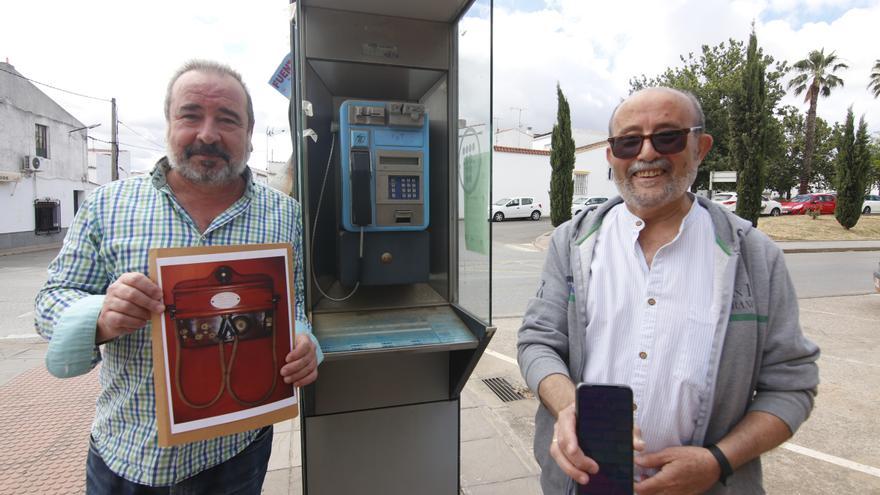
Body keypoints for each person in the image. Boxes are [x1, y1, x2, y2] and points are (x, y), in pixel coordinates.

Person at [34, 59, 322, 493]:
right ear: (168, 123)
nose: (208, 134)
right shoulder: (108, 205)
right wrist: (100, 316)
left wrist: (303, 340)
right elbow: (50, 301)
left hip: (235, 455)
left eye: (227, 120)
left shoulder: (284, 214)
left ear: (248, 134)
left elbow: (297, 301)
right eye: (191, 115)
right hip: (125, 454)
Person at [517, 87, 819, 494]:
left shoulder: (754, 256)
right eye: (628, 141)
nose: (645, 154)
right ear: (611, 155)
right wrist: (571, 407)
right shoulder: (571, 243)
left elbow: (791, 384)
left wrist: (718, 461)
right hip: (584, 485)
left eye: (667, 136)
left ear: (701, 147)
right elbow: (538, 342)